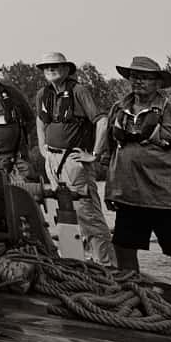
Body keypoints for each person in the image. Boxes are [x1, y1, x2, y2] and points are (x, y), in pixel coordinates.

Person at [101, 55, 171, 291]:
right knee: (124, 253)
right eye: (134, 76)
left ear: (158, 83)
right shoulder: (117, 110)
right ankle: (133, 301)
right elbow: (109, 154)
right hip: (128, 197)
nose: (138, 80)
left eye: (146, 77)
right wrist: (111, 192)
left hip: (168, 201)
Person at [34, 51, 111, 264]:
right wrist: (43, 149)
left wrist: (94, 155)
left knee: (89, 217)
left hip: (74, 161)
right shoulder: (43, 94)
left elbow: (102, 122)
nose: (50, 70)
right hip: (52, 160)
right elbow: (40, 122)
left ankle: (107, 269)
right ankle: (74, 264)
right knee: (64, 216)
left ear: (67, 69)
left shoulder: (79, 91)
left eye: (56, 66)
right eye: (46, 67)